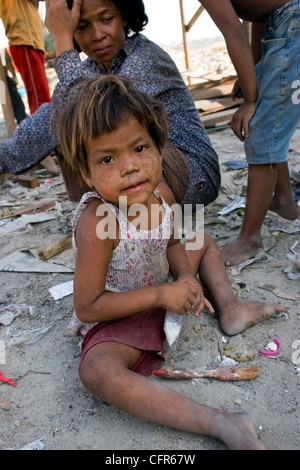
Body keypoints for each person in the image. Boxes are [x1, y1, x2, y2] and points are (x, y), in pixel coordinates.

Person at [56, 74, 285, 450]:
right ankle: (223, 423)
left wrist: (184, 277)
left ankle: (229, 308)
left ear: (160, 148)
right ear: (86, 173)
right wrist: (164, 293)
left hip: (166, 287)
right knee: (97, 372)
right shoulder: (99, 220)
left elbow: (177, 239)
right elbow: (88, 306)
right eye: (108, 158)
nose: (130, 167)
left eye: (140, 148)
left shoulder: (162, 192)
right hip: (121, 311)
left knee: (204, 241)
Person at [0, 0, 220, 208]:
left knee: (81, 121)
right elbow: (55, 115)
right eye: (83, 26)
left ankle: (129, 226)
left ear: (123, 17)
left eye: (106, 19)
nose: (98, 35)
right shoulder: (92, 69)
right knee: (59, 112)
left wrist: (62, 41)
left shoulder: (145, 59)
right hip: (145, 174)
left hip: (193, 177)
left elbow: (82, 116)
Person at [200, 0, 300, 266]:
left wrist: (251, 100)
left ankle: (250, 239)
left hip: (292, 22)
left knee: (264, 129)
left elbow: (234, 31)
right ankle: (284, 201)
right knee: (271, 125)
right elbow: (258, 18)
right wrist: (253, 72)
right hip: (280, 24)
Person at [0, 0, 59, 175]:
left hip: (34, 41)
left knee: (43, 96)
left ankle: (46, 147)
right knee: (39, 100)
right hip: (23, 40)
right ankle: (41, 152)